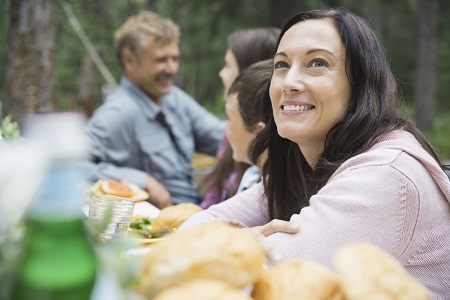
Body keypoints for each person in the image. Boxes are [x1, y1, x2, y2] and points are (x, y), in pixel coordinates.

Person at [181, 8, 450, 299]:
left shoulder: (386, 177)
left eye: (317, 63)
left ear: (360, 84)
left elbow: (261, 287)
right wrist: (244, 242)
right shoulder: (301, 160)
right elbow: (189, 231)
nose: (289, 82)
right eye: (281, 65)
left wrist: (232, 246)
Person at [85, 11, 224, 209]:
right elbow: (73, 167)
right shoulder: (117, 114)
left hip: (194, 213)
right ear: (129, 60)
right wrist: (143, 182)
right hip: (157, 230)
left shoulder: (174, 98)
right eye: (161, 60)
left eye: (175, 59)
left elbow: (222, 138)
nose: (172, 69)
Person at [199, 27, 281, 209]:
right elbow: (214, 195)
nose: (221, 73)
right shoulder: (241, 152)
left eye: (228, 65)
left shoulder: (267, 183)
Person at [224, 59, 273, 193]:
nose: (225, 128)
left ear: (260, 134)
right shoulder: (251, 175)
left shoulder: (262, 190)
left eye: (229, 118)